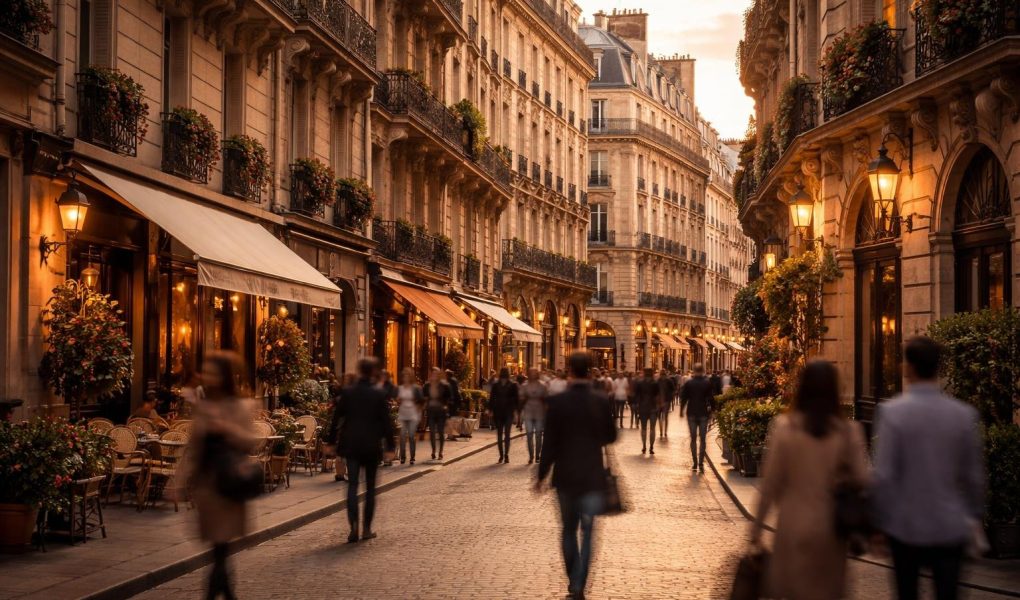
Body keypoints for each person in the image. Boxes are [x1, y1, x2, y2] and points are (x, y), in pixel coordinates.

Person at [872, 337, 984, 600]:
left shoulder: (892, 413)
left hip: (905, 526)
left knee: (907, 593)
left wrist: (878, 524)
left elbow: (885, 475)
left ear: (908, 368)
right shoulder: (963, 415)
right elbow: (974, 477)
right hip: (950, 525)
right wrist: (975, 515)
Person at [749, 360, 869, 600]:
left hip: (792, 528)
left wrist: (755, 531)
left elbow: (769, 485)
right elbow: (864, 480)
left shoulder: (785, 429)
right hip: (830, 532)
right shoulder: (848, 432)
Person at [174, 352, 256, 600]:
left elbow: (251, 442)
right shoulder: (203, 407)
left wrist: (226, 427)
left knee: (219, 550)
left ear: (224, 376)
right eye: (205, 371)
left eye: (212, 372)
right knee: (219, 551)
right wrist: (176, 483)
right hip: (207, 488)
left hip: (229, 487)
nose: (206, 376)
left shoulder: (243, 406)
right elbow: (193, 448)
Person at [535, 351, 617, 600]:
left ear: (569, 371)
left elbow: (548, 443)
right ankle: (581, 584)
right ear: (590, 371)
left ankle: (573, 581)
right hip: (592, 476)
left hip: (565, 477)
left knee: (568, 530)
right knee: (589, 531)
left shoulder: (558, 402)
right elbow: (611, 437)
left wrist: (541, 475)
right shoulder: (600, 400)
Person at [333, 358, 395, 543]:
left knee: (352, 485)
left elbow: (336, 418)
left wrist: (329, 441)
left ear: (359, 371)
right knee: (369, 489)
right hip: (371, 446)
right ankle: (366, 528)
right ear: (373, 372)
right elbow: (386, 422)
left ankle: (353, 526)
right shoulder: (378, 394)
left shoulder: (348, 392)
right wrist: (390, 446)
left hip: (351, 444)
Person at [680, 363, 714, 472]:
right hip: (703, 413)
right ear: (703, 371)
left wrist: (681, 410)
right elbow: (711, 399)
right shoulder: (707, 383)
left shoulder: (689, 383)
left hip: (691, 413)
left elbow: (684, 398)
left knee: (693, 438)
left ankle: (694, 462)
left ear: (694, 371)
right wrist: (713, 411)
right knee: (703, 439)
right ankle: (701, 463)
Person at [489, 368, 519, 463]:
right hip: (500, 412)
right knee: (501, 435)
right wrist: (490, 409)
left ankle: (504, 455)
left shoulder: (512, 385)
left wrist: (516, 411)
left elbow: (516, 399)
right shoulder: (497, 385)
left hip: (507, 412)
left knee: (505, 435)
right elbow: (492, 398)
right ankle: (503, 455)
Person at [395, 368, 424, 465]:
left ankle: (412, 457)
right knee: (402, 436)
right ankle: (402, 457)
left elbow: (421, 401)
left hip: (412, 414)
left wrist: (418, 411)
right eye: (404, 375)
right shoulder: (400, 388)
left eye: (408, 375)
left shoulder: (416, 388)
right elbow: (398, 400)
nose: (406, 377)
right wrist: (398, 400)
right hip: (403, 413)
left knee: (411, 435)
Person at [519, 368, 548, 464]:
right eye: (531, 373)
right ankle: (531, 456)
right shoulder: (525, 385)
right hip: (528, 412)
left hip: (539, 413)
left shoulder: (543, 385)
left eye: (535, 373)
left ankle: (538, 455)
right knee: (529, 435)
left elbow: (547, 399)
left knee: (539, 435)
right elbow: (521, 398)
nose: (533, 375)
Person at [633, 368, 661, 455]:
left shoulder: (640, 383)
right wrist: (658, 406)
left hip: (643, 408)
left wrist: (636, 406)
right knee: (652, 428)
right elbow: (658, 396)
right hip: (653, 408)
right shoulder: (655, 383)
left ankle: (644, 446)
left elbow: (636, 396)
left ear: (644, 373)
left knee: (643, 428)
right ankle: (651, 447)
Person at [658, 370, 676, 438]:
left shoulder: (668, 381)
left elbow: (673, 390)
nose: (662, 376)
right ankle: (662, 431)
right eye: (662, 375)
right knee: (662, 417)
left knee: (664, 417)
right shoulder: (659, 381)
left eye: (663, 375)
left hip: (666, 401)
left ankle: (663, 431)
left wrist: (670, 397)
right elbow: (673, 390)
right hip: (661, 401)